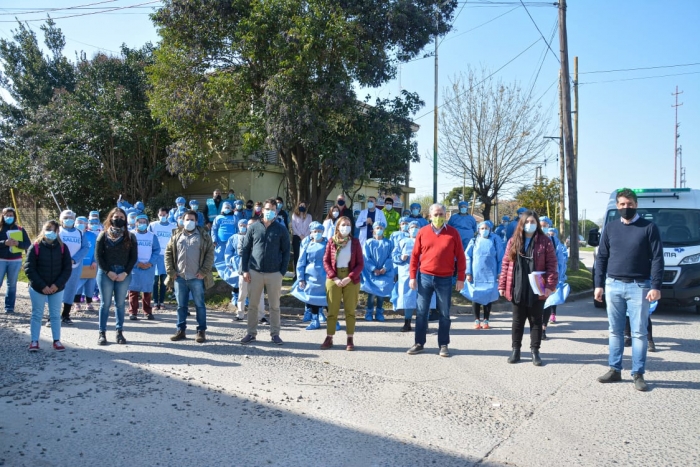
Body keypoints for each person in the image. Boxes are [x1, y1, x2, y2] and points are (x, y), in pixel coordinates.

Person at [594, 188, 663, 392]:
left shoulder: (649, 227)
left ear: (636, 205)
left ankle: (638, 374)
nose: (626, 207)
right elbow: (602, 258)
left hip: (639, 286)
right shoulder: (610, 228)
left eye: (630, 204)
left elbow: (658, 258)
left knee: (639, 333)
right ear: (617, 206)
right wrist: (598, 284)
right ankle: (615, 369)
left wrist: (656, 286)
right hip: (613, 284)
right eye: (622, 204)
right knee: (614, 331)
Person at [498, 210, 558, 366]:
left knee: (536, 321)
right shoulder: (513, 241)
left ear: (537, 224)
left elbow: (552, 265)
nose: (530, 225)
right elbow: (505, 264)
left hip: (537, 286)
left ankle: (535, 351)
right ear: (521, 224)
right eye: (527, 222)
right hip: (517, 285)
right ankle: (515, 350)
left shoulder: (545, 242)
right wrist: (502, 284)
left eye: (533, 222)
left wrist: (550, 286)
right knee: (517, 321)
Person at [407, 204, 466, 357]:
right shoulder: (422, 232)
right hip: (425, 277)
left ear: (446, 215)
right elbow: (414, 256)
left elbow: (460, 257)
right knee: (421, 312)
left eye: (441, 214)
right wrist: (412, 276)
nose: (438, 217)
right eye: (436, 214)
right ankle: (419, 343)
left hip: (445, 278)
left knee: (445, 313)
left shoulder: (453, 233)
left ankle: (444, 344)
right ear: (430, 216)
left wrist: (461, 277)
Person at [239, 198, 291, 345]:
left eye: (273, 210)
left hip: (274, 273)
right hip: (254, 272)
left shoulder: (281, 229)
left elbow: (286, 251)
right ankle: (251, 333)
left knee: (275, 305)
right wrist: (245, 270)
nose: (269, 212)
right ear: (262, 210)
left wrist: (282, 271)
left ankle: (275, 334)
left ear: (276, 212)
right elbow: (246, 249)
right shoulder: (253, 227)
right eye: (267, 209)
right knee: (253, 305)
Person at [166, 210, 215, 343]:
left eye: (191, 219)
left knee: (200, 305)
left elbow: (210, 254)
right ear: (182, 221)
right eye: (186, 219)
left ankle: (201, 331)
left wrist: (204, 271)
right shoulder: (176, 235)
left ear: (196, 221)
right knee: (181, 306)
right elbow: (168, 253)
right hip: (180, 277)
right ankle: (181, 330)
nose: (189, 222)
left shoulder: (203, 236)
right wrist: (171, 272)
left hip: (197, 277)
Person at [25, 220, 73, 352]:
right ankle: (34, 341)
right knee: (37, 314)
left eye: (54, 229)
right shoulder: (35, 246)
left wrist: (57, 285)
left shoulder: (63, 247)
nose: (51, 232)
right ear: (43, 229)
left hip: (57, 288)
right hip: (38, 288)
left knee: (55, 315)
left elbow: (67, 269)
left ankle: (56, 340)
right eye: (48, 228)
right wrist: (42, 286)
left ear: (58, 231)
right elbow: (29, 268)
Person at [95, 208, 138, 345]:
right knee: (105, 304)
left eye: (121, 216)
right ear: (110, 218)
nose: (118, 219)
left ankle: (119, 332)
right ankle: (102, 333)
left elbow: (133, 258)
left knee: (120, 304)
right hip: (105, 272)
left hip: (123, 273)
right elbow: (98, 256)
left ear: (125, 219)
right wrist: (108, 271)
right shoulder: (103, 235)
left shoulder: (130, 236)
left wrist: (125, 273)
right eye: (115, 216)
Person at [321, 216, 363, 350]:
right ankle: (329, 337)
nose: (346, 227)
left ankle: (350, 338)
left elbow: (360, 264)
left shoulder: (355, 242)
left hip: (351, 278)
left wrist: (349, 277)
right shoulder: (331, 242)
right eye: (343, 224)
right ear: (337, 227)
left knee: (350, 310)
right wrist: (334, 278)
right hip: (334, 278)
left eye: (348, 224)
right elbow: (326, 261)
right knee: (332, 310)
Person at [394, 220, 436, 332]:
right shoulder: (403, 241)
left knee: (425, 298)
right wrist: (400, 257)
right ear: (408, 229)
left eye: (416, 226)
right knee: (408, 298)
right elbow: (394, 255)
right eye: (412, 227)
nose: (414, 228)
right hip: (407, 274)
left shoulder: (426, 240)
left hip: (425, 273)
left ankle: (424, 323)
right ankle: (407, 323)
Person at [291, 222, 334, 331]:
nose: (317, 233)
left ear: (323, 232)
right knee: (313, 298)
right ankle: (315, 321)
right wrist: (300, 278)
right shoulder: (307, 245)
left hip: (325, 274)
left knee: (328, 298)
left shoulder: (328, 244)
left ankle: (333, 320)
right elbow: (301, 262)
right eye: (315, 231)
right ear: (311, 232)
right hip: (310, 275)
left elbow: (333, 260)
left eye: (319, 231)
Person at [463, 221, 503, 330]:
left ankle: (486, 320)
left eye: (486, 228)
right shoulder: (474, 241)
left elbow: (501, 258)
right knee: (476, 296)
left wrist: (500, 272)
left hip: (491, 273)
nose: (484, 230)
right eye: (482, 228)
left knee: (488, 297)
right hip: (476, 274)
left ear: (490, 229)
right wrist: (468, 272)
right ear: (478, 230)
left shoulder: (494, 241)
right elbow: (467, 257)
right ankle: (477, 320)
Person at [57, 210, 89, 325]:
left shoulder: (80, 233)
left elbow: (85, 247)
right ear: (61, 219)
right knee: (56, 290)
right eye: (66, 217)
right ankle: (53, 316)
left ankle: (66, 315)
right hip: (58, 266)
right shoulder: (57, 231)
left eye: (71, 217)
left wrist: (74, 259)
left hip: (74, 266)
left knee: (71, 290)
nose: (68, 219)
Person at [127, 214, 160, 320]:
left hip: (149, 267)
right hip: (135, 267)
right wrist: (137, 263)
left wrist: (150, 263)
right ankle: (133, 312)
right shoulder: (131, 235)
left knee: (147, 291)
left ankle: (147, 312)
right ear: (135, 223)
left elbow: (156, 250)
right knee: (133, 290)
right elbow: (127, 251)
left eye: (144, 222)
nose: (142, 224)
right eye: (139, 222)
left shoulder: (152, 236)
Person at [360, 221, 394, 322]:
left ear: (384, 229)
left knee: (381, 294)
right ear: (374, 229)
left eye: (381, 228)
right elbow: (366, 257)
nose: (379, 230)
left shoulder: (388, 243)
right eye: (377, 228)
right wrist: (373, 268)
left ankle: (379, 313)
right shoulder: (369, 242)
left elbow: (391, 257)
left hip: (384, 273)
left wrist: (385, 268)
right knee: (372, 294)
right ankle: (369, 313)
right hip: (371, 273)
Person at [1, 207, 31, 314]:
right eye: (7, 215)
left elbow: (28, 244)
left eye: (11, 215)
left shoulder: (20, 229)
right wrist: (4, 243)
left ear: (14, 217)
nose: (9, 217)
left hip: (15, 260)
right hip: (1, 260)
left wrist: (18, 244)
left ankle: (9, 307)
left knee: (12, 284)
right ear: (2, 216)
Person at [542, 227, 568, 337]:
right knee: (537, 304)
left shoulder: (555, 242)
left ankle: (543, 329)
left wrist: (560, 276)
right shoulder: (535, 240)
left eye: (545, 226)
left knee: (549, 301)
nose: (543, 228)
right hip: (537, 277)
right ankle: (537, 328)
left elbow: (561, 261)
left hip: (551, 276)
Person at [149, 207, 176, 310]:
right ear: (158, 214)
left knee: (165, 280)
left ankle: (162, 301)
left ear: (168, 215)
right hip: (155, 255)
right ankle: (155, 302)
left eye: (164, 215)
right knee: (155, 280)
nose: (162, 217)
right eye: (160, 215)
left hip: (167, 256)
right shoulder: (153, 225)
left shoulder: (172, 227)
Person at [72, 216, 98, 311]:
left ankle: (89, 303)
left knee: (90, 285)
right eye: (78, 222)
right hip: (77, 264)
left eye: (83, 222)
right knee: (77, 285)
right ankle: (77, 304)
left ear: (87, 224)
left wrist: (95, 261)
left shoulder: (92, 236)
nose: (80, 224)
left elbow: (96, 250)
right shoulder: (74, 235)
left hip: (90, 264)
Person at [291, 201, 312, 281]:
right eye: (300, 205)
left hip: (306, 238)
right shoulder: (294, 215)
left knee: (305, 255)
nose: (302, 206)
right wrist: (300, 235)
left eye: (303, 205)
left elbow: (309, 227)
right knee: (297, 255)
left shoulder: (309, 216)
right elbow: (294, 226)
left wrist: (305, 236)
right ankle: (296, 274)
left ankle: (305, 273)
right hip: (297, 237)